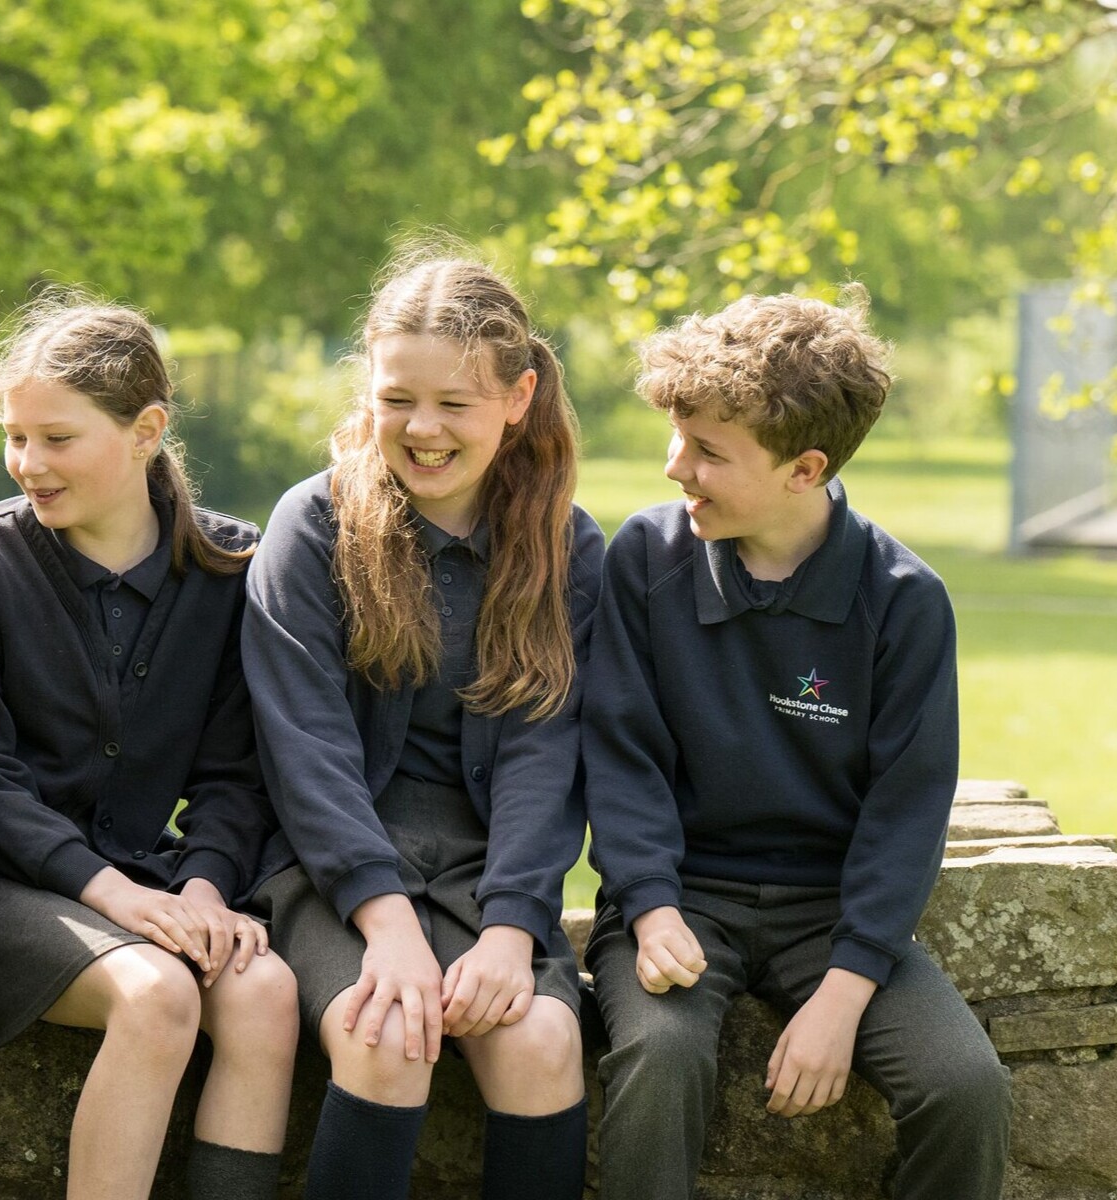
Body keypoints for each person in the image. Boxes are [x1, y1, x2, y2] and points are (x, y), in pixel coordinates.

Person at [583, 287, 1013, 1199]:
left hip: (833, 911)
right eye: (677, 436)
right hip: (681, 899)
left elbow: (907, 810)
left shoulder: (903, 600)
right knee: (659, 1060)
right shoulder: (644, 562)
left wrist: (848, 991)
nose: (675, 467)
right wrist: (651, 905)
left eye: (707, 451)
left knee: (966, 1086)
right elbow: (621, 759)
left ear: (804, 468)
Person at [243, 253, 602, 1200]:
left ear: (518, 397)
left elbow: (544, 745)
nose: (423, 429)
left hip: (489, 873)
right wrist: (387, 920)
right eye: (398, 398)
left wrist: (515, 928)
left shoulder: (564, 543)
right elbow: (305, 750)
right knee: (388, 1034)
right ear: (368, 385)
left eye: (456, 403)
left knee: (541, 1040)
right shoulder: (313, 525)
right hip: (331, 867)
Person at [0, 298, 296, 1200]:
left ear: (146, 431)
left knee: (263, 994)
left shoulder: (234, 568)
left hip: (152, 877)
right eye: (15, 438)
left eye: (57, 437)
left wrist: (204, 885)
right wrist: (114, 894)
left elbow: (234, 773)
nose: (27, 464)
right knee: (159, 996)